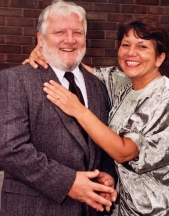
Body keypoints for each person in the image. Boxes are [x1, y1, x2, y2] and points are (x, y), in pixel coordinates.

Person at [25, 15, 169, 216]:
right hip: (123, 205)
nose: (131, 53)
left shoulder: (166, 94)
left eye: (142, 47)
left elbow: (124, 151)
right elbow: (77, 68)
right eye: (126, 44)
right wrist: (46, 52)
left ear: (160, 57)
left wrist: (78, 110)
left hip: (158, 209)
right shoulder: (124, 83)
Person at [0, 1, 118, 216]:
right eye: (60, 32)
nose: (70, 40)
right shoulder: (15, 80)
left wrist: (108, 175)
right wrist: (69, 183)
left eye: (77, 32)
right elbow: (9, 149)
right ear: (40, 39)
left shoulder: (98, 86)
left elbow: (102, 145)